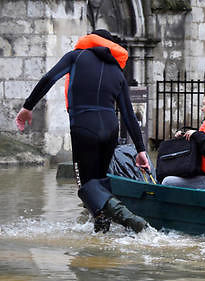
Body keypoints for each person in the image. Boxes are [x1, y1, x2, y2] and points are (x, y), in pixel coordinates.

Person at [14, 29, 149, 232]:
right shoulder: (117, 71)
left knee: (87, 185)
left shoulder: (76, 57)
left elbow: (49, 78)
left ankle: (129, 218)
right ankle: (101, 229)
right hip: (110, 128)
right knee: (101, 180)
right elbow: (128, 114)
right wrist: (141, 150)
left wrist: (27, 106)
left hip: (84, 126)